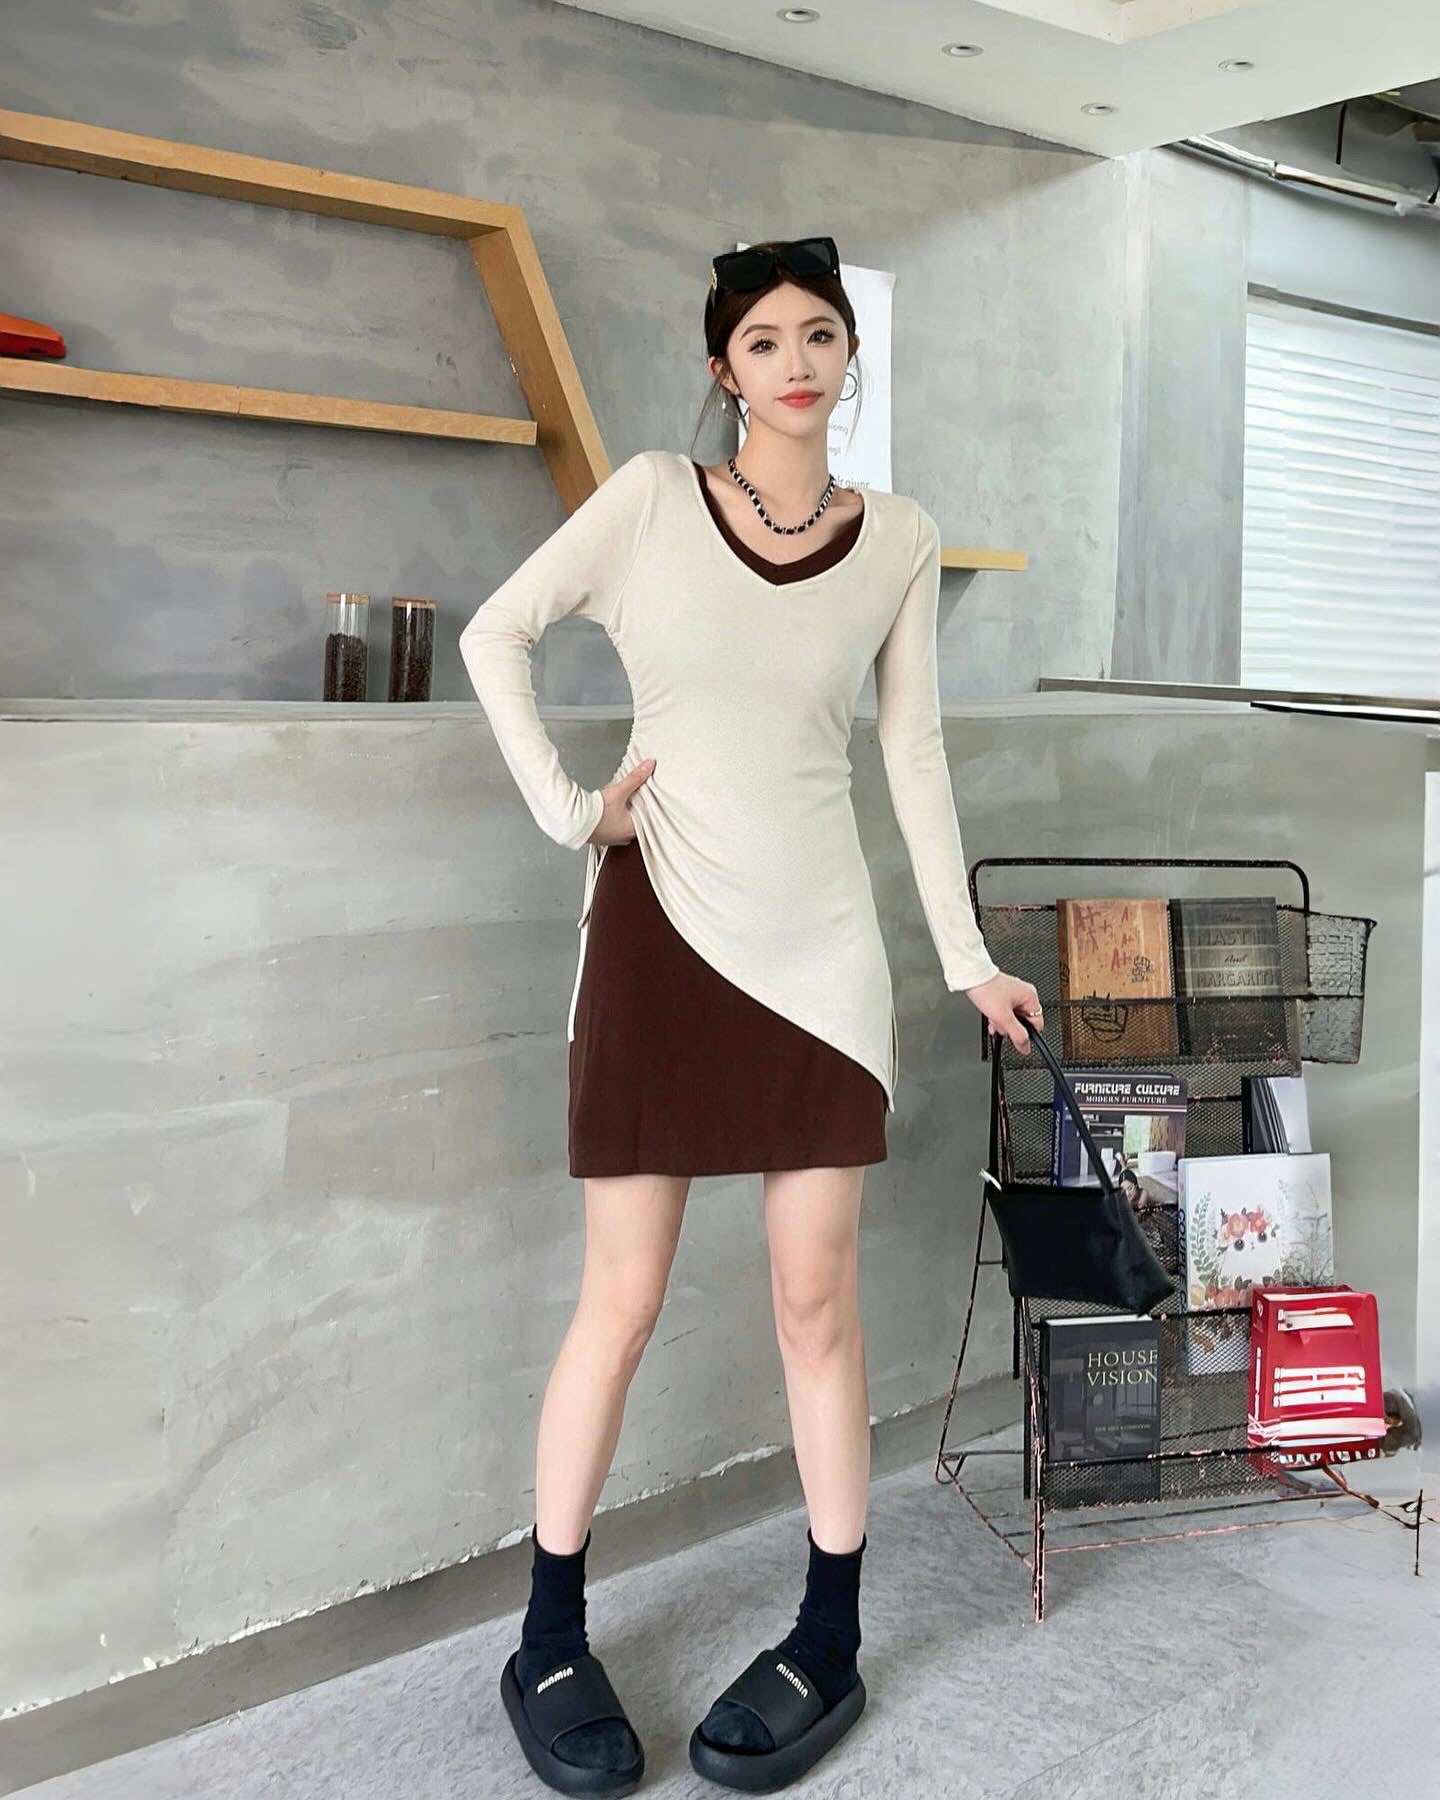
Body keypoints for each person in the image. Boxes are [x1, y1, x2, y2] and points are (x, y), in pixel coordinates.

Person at [460, 236, 1042, 1797]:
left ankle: (827, 1634)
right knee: (623, 1298)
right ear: (724, 369)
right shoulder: (652, 499)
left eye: (820, 335)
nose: (795, 362)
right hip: (660, 933)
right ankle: (547, 1637)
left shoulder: (900, 536)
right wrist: (573, 811)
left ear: (850, 357)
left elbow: (911, 753)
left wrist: (966, 956)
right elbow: (493, 633)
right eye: (765, 341)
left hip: (820, 957)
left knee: (814, 1304)